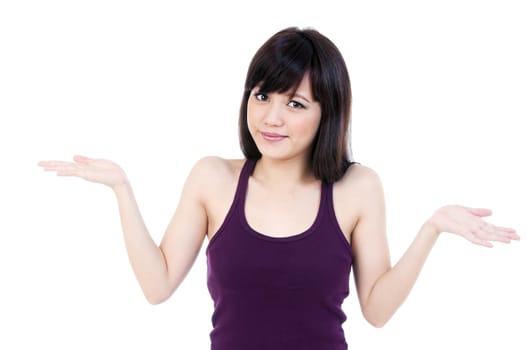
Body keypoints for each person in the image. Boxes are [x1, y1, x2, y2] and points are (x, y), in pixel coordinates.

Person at [38, 27, 519, 350]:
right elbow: (157, 285)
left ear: (327, 112)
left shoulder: (357, 187)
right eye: (262, 95)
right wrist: (123, 189)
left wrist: (431, 230)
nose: (270, 116)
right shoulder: (213, 177)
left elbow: (376, 310)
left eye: (295, 103)